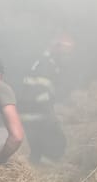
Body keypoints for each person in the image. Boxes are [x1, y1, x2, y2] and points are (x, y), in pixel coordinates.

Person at [19, 31, 74, 164]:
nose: (68, 55)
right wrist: (51, 113)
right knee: (58, 142)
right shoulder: (46, 65)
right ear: (57, 48)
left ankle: (38, 165)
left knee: (38, 146)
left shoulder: (46, 62)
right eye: (66, 51)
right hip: (35, 113)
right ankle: (43, 167)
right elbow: (40, 93)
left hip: (33, 112)